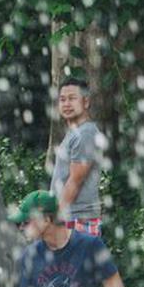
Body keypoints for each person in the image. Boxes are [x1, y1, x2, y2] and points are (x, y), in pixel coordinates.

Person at [51, 78, 104, 235]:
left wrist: (55, 218)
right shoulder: (75, 133)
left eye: (72, 98)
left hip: (78, 219)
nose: (66, 104)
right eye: (62, 99)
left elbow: (75, 180)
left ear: (86, 102)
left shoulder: (85, 133)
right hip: (71, 217)